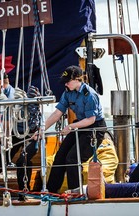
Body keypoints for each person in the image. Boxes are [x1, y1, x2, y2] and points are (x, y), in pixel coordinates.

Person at [35, 65, 106, 193]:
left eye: (67, 81)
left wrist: (70, 126)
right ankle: (50, 191)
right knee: (60, 156)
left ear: (77, 79)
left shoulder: (89, 94)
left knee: (73, 158)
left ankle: (75, 192)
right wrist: (42, 130)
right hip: (79, 126)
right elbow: (57, 113)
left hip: (95, 129)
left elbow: (91, 120)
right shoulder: (68, 93)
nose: (65, 84)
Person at [0, 70, 40, 201]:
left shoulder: (8, 97)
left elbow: (7, 123)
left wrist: (4, 142)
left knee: (23, 160)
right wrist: (0, 143)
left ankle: (24, 193)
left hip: (31, 134)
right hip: (15, 133)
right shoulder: (9, 93)